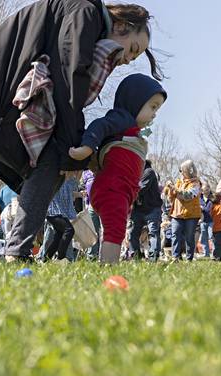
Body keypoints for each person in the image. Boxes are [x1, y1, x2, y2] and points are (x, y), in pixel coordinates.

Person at [0, 2, 161, 260]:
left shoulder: (83, 15)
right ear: (120, 25)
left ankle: (17, 250)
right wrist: (75, 149)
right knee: (52, 160)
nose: (128, 58)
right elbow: (70, 76)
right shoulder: (86, 12)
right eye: (132, 49)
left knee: (46, 164)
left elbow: (68, 82)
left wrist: (74, 150)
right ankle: (16, 251)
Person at [70, 73, 167, 264]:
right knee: (115, 229)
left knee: (116, 228)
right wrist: (87, 147)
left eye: (157, 109)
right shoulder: (122, 118)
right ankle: (109, 264)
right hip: (111, 187)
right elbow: (100, 125)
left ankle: (108, 261)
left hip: (121, 190)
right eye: (152, 106)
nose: (155, 113)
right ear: (134, 101)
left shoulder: (132, 131)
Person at [165, 160, 202, 261]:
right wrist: (170, 191)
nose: (180, 172)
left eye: (182, 170)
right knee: (175, 234)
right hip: (176, 213)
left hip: (191, 214)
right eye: (180, 170)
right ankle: (175, 257)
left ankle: (189, 258)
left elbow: (188, 196)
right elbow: (171, 198)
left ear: (188, 171)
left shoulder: (196, 183)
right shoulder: (179, 182)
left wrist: (174, 189)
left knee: (189, 237)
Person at [128, 160, 163, 260]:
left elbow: (140, 189)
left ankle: (153, 258)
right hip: (138, 209)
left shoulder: (149, 172)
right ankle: (136, 257)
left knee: (153, 233)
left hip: (152, 208)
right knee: (133, 233)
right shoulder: (133, 173)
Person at [43, 178, 77, 261]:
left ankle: (46, 259)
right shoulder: (56, 177)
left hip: (58, 211)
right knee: (69, 230)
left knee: (59, 235)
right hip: (52, 210)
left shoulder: (69, 180)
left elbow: (72, 190)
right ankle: (60, 258)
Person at [199, 183, 214, 259]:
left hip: (212, 220)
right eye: (204, 190)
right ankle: (206, 253)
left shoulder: (213, 198)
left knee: (212, 236)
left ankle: (214, 253)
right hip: (203, 221)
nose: (206, 191)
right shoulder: (199, 199)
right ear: (201, 191)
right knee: (204, 238)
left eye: (207, 189)